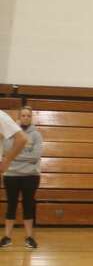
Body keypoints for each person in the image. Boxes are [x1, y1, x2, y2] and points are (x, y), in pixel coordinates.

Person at [0, 106, 33, 249]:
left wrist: (7, 160)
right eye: (23, 115)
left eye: (28, 115)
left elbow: (22, 141)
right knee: (11, 205)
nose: (26, 117)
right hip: (11, 175)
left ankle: (29, 236)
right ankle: (7, 236)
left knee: (26, 205)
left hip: (28, 175)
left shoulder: (1, 116)